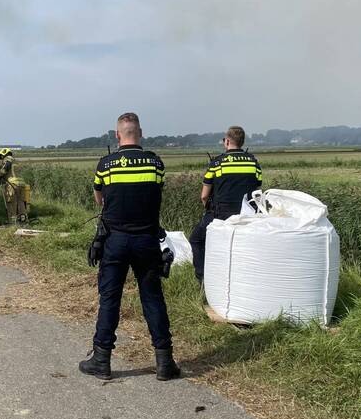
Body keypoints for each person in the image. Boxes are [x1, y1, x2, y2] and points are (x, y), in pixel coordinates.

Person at [79, 113, 179, 381]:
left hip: (115, 240)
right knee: (153, 298)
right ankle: (165, 362)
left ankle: (101, 360)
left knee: (110, 299)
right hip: (147, 240)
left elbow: (99, 198)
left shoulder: (106, 164)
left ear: (117, 135)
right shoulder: (155, 163)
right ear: (140, 133)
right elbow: (157, 191)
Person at [189, 126, 262, 282]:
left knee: (196, 239)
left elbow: (204, 196)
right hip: (248, 216)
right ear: (242, 142)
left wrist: (208, 209)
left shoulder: (217, 163)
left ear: (227, 141)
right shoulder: (253, 163)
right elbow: (257, 188)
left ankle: (203, 280)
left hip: (221, 215)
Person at [0, 148, 28, 223]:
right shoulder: (16, 161)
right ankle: (23, 220)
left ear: (4, 153)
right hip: (21, 184)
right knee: (21, 202)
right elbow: (11, 173)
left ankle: (13, 221)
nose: (2, 159)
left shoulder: (8, 159)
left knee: (11, 202)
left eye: (1, 156)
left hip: (12, 184)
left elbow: (6, 167)